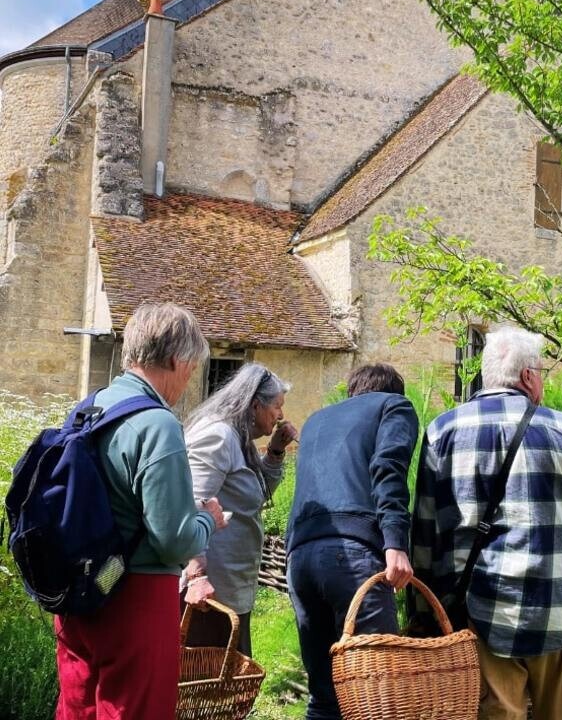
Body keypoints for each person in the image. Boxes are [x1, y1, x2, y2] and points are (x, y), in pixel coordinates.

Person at [412, 326, 562, 720]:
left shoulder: (442, 431)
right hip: (556, 610)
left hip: (478, 612)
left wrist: (426, 615)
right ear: (528, 377)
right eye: (542, 371)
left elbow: (425, 533)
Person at [54, 302, 227, 720]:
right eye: (191, 369)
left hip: (77, 588)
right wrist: (208, 519)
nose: (188, 381)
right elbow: (173, 541)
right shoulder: (157, 425)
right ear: (176, 360)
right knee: (135, 710)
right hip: (135, 596)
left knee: (79, 708)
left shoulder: (85, 411)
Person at [286, 363, 419, 720]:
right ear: (393, 391)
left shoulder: (316, 421)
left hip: (299, 558)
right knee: (379, 693)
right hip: (353, 555)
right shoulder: (394, 406)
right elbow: (389, 468)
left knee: (324, 697)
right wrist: (395, 542)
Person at [181, 363, 297, 655]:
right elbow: (191, 505)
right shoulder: (219, 435)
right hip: (209, 595)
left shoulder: (238, 438)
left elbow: (253, 497)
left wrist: (275, 452)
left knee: (227, 686)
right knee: (206, 686)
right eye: (277, 406)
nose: (281, 415)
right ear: (256, 405)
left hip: (229, 588)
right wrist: (196, 577)